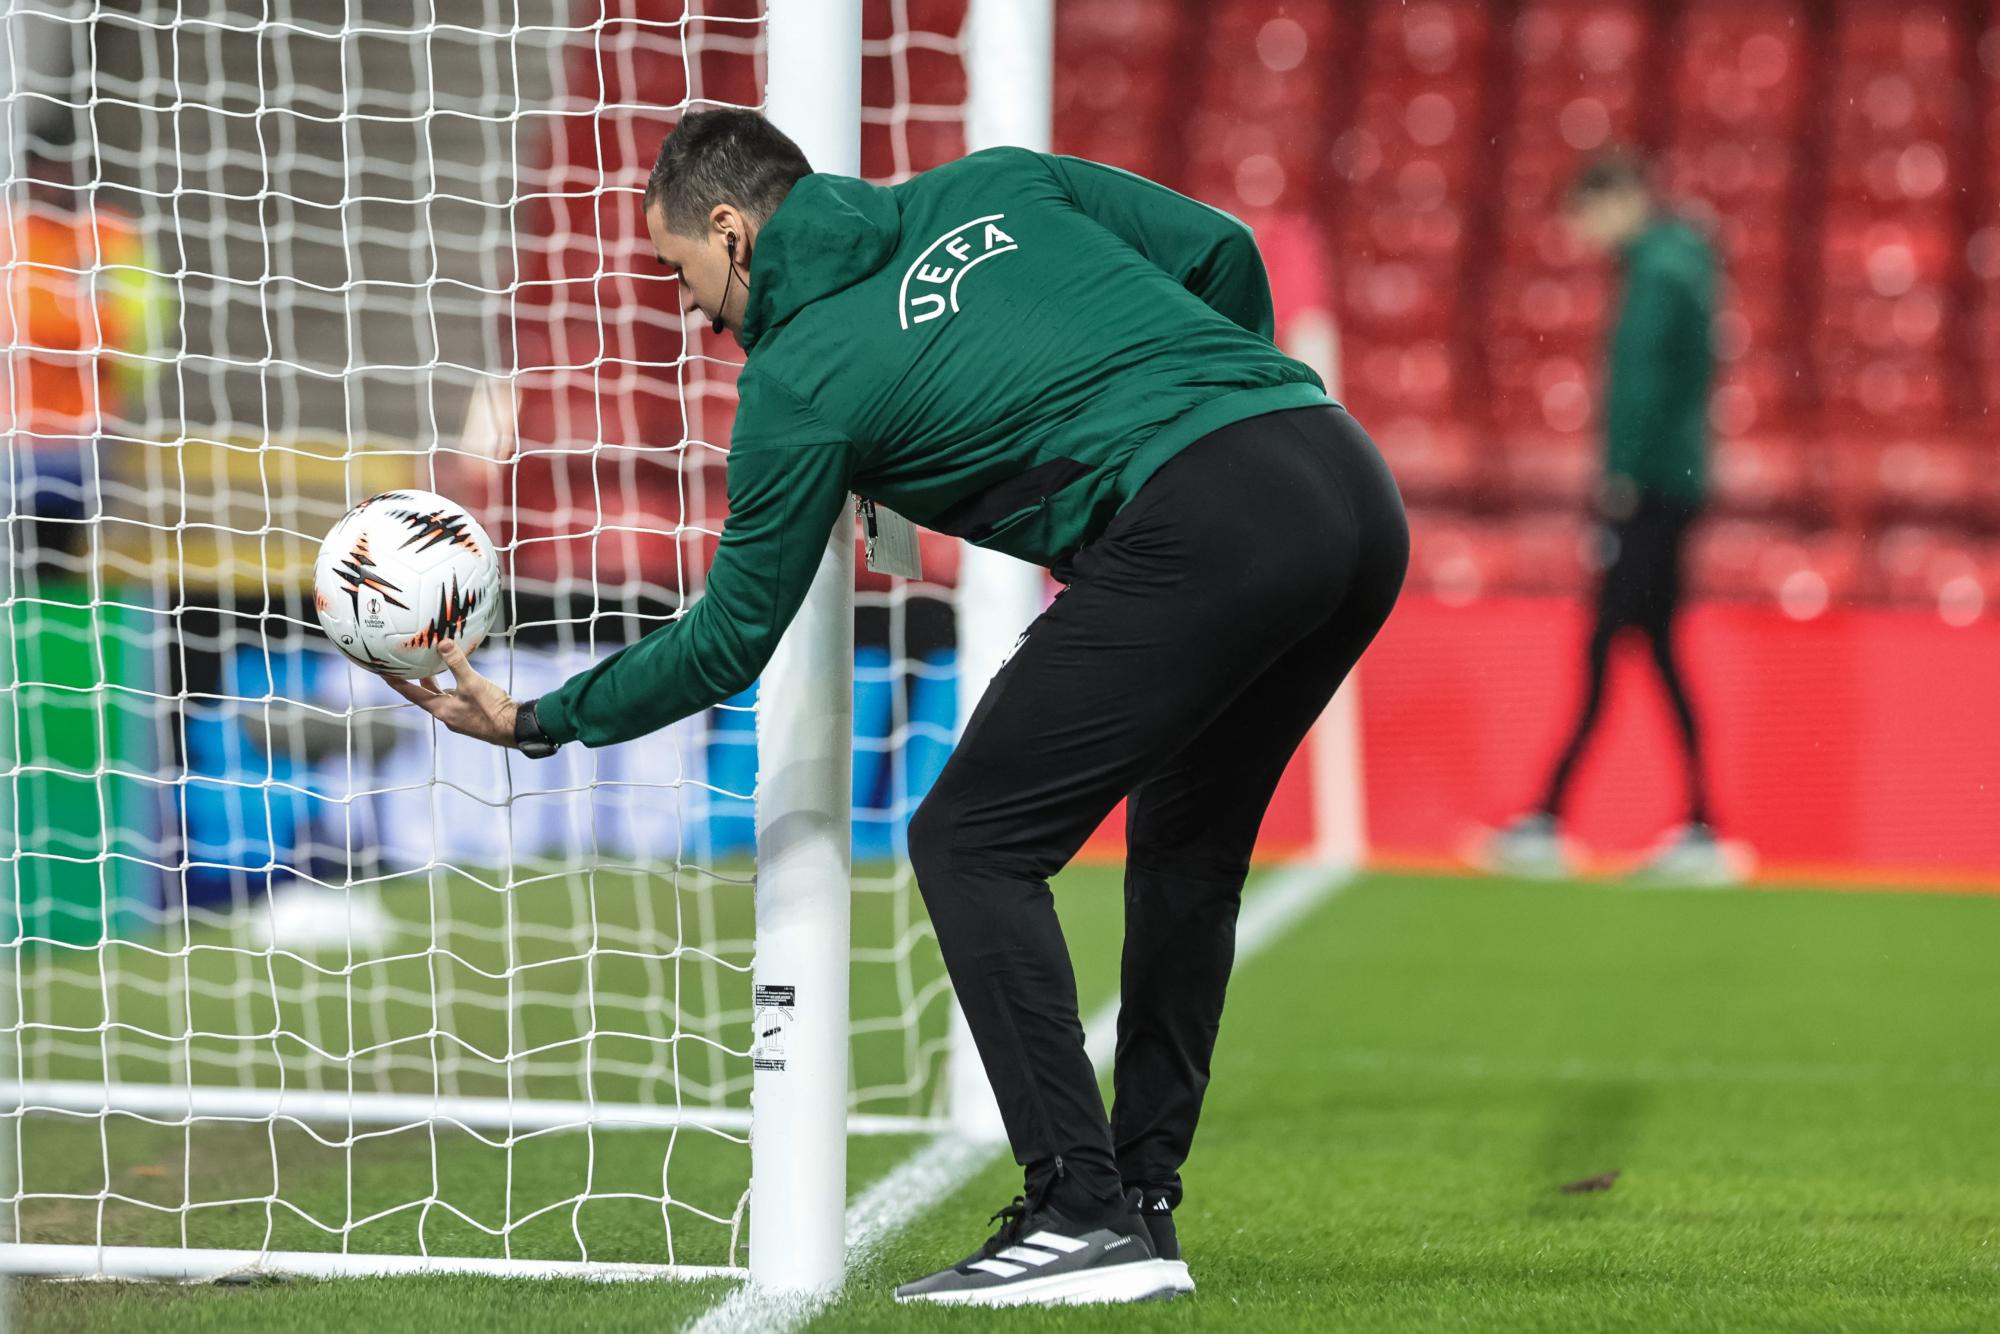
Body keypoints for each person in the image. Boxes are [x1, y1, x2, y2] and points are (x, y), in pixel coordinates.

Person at [388, 109, 1407, 1307]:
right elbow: (1223, 251)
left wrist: (536, 720)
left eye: (684, 271)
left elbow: (727, 638)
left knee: (969, 839)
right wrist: (1209, 404)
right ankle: (1138, 1208)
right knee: (1184, 849)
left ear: (732, 228)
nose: (693, 309)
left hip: (1203, 528)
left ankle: (1079, 1204)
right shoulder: (999, 182)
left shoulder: (797, 378)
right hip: (1340, 478)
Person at [1486, 150, 1726, 882]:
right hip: (1676, 481)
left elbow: (1641, 387)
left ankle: (1552, 815)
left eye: (1585, 217)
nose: (1585, 236)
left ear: (1617, 200)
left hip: (1650, 487)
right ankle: (1698, 826)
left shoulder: (1655, 272)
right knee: (1652, 647)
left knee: (1606, 646)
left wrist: (1619, 481)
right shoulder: (1684, 260)